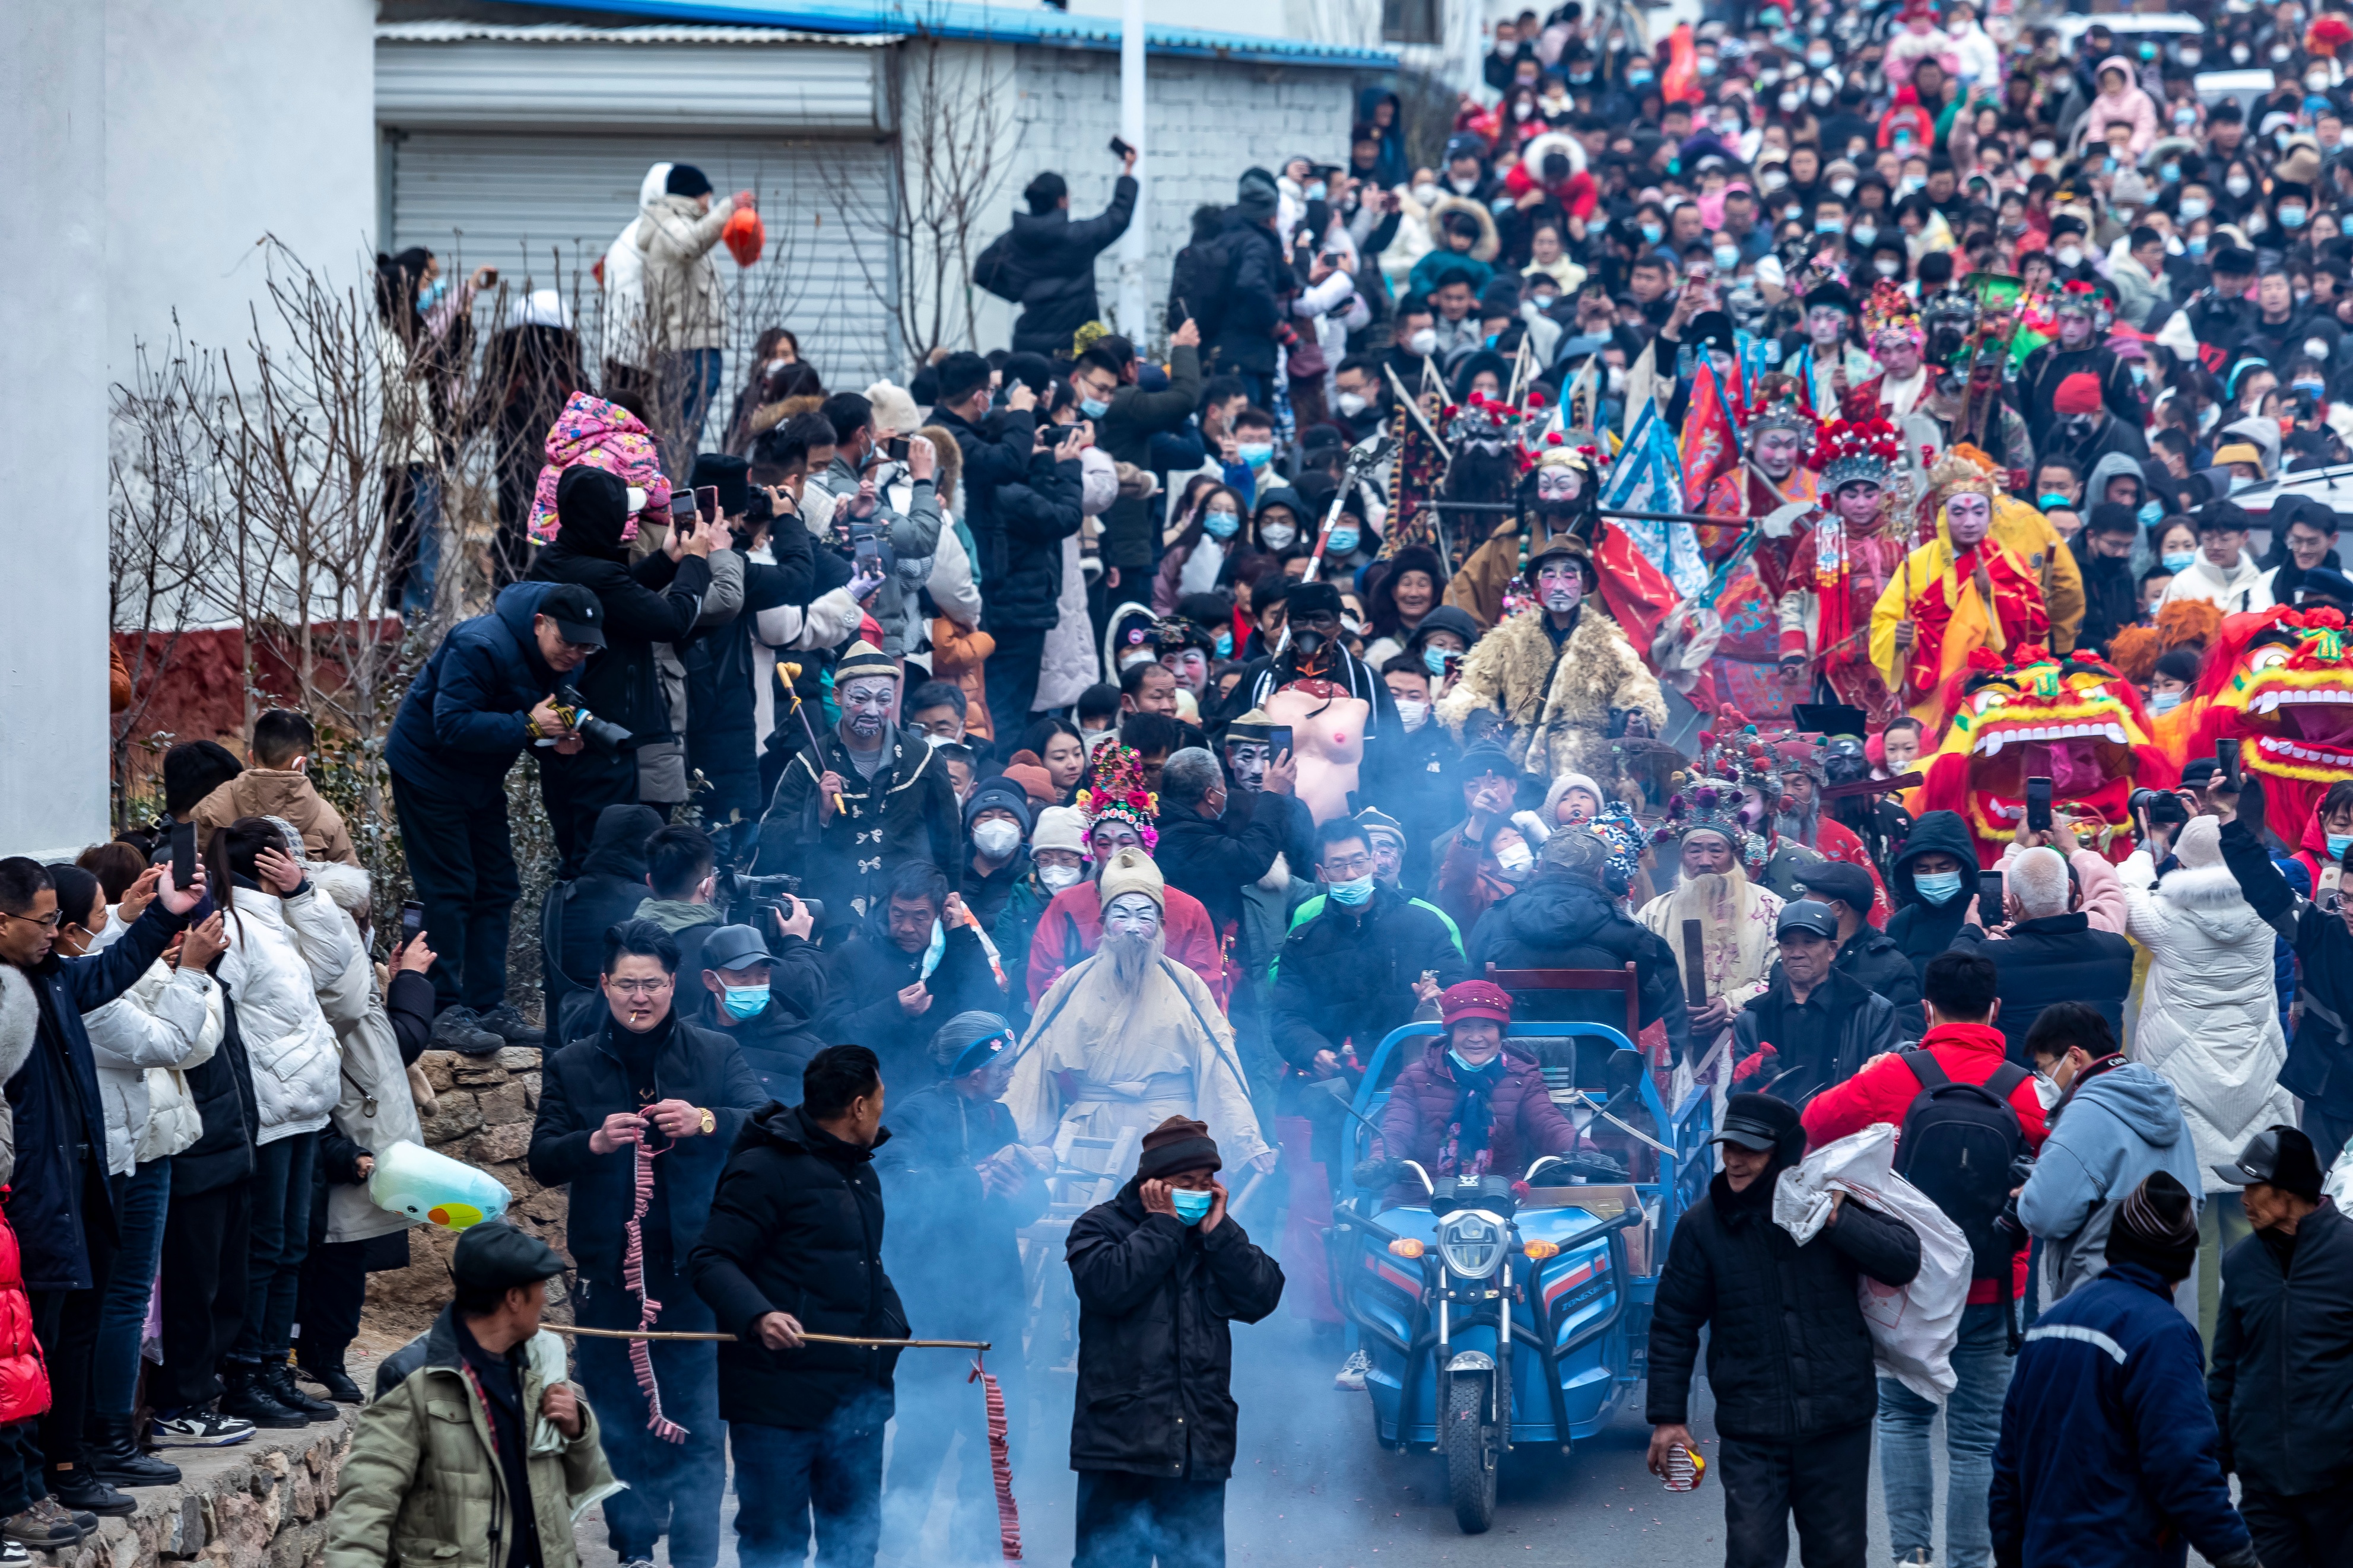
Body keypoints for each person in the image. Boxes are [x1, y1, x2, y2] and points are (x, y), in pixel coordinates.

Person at [526, 917, 761, 1568]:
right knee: (616, 1423)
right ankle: (630, 1547)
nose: (639, 998)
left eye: (652, 985)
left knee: (701, 1427)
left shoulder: (714, 1055)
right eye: (627, 984)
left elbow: (767, 1124)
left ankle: (693, 1557)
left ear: (673, 985)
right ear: (604, 986)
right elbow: (542, 1158)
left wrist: (705, 1120)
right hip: (610, 1277)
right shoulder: (573, 1065)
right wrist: (594, 1143)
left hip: (695, 1276)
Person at [1803, 949, 2049, 1568]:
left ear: (1926, 1008)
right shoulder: (2021, 1088)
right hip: (1993, 1283)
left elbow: (1812, 1124)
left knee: (1904, 1420)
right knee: (1975, 1439)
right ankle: (1970, 1560)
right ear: (1993, 1009)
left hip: (1902, 1283)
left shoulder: (1891, 1076)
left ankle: (1910, 1555)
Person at [1647, 1092, 1922, 1568]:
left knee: (1837, 1555)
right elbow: (1673, 1323)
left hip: (1837, 1419)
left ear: (1784, 1151)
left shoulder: (1830, 1202)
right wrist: (1667, 1417)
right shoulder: (1700, 1227)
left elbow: (1902, 1259)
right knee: (1752, 1554)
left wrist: (1835, 1217)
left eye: (1750, 1149)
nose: (1734, 1159)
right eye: (1727, 1146)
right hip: (1751, 1426)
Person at [690, 1045, 907, 1568]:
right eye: (879, 1098)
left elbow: (862, 1264)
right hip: (776, 1402)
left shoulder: (859, 1170)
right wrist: (758, 1314)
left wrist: (893, 1327)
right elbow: (711, 1259)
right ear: (858, 1105)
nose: (883, 1107)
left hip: (855, 1399)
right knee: (775, 1543)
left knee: (854, 1544)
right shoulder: (765, 1168)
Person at [1989, 1173, 2259, 1568]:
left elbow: (2007, 1466)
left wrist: (2011, 1553)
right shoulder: (2161, 1335)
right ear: (2181, 1265)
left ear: (2114, 1250)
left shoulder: (2048, 1325)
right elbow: (2183, 1468)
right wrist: (2238, 1555)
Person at [385, 579, 607, 1041]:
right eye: (567, 642)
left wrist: (555, 744)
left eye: (586, 648)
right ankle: (442, 1009)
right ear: (540, 624)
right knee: (450, 888)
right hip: (427, 769)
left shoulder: (568, 664)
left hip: (480, 777)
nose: (574, 656)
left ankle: (488, 1005)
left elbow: (533, 731)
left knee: (498, 885)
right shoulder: (478, 643)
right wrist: (528, 725)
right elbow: (450, 724)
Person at [325, 1221, 618, 1568]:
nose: (546, 1300)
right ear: (513, 1298)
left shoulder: (538, 1366)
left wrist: (578, 1431)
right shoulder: (412, 1375)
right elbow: (365, 1507)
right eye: (540, 1288)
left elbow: (580, 1484)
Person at [1064, 1115, 1285, 1568]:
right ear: (1152, 1183)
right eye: (1186, 1182)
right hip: (1119, 1449)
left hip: (1198, 1447)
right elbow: (1107, 1285)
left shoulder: (1212, 1234)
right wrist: (1162, 1227)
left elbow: (1262, 1295)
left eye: (1206, 1182)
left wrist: (1221, 1236)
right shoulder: (1098, 1227)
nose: (1198, 1193)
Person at [69, 865, 225, 1483]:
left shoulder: (83, 968)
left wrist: (135, 921)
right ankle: (103, 1435)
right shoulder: (81, 992)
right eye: (103, 911)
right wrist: (190, 972)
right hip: (112, 1155)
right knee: (116, 1300)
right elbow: (169, 1043)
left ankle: (111, 1431)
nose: (115, 918)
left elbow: (105, 967)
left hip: (141, 1142)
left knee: (122, 1299)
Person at [202, 821, 358, 1432]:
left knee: (293, 1246)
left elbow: (334, 962)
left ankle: (274, 1366)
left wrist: (302, 896)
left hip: (304, 1109)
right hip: (268, 1110)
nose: (303, 863)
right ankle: (245, 1372)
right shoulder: (235, 925)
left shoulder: (279, 917)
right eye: (292, 856)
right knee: (265, 1248)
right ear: (269, 863)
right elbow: (219, 1012)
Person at [871, 1014, 1044, 1563]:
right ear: (974, 1066)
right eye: (1004, 1064)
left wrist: (1021, 1190)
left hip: (994, 1308)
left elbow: (1028, 1201)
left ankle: (974, 1551)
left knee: (998, 1439)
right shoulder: (915, 1113)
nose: (1011, 1073)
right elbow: (892, 1190)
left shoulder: (1001, 1115)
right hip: (934, 1308)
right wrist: (972, 1180)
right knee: (923, 1440)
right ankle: (895, 1550)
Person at [2116, 813, 2294, 1341]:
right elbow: (2275, 875)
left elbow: (2127, 890)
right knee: (2255, 1222)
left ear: (2183, 864)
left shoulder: (2165, 918)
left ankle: (2213, 1357)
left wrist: (2143, 854)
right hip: (2257, 1084)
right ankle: (2261, 1352)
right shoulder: (2268, 910)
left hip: (2186, 1091)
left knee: (2200, 1240)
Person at [1005, 848, 1274, 1177]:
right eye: (1121, 915)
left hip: (1171, 1136)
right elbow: (1032, 1066)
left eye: (1144, 916)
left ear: (1161, 925)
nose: (1133, 928)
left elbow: (1219, 1063)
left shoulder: (1187, 986)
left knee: (1168, 1227)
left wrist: (1245, 1140)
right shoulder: (1070, 986)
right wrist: (1007, 1138)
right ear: (1104, 923)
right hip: (1091, 1140)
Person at [296, 866, 435, 1409]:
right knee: (334, 1258)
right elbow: (400, 1042)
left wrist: (397, 979)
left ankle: (322, 1354)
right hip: (345, 1143)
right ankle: (320, 1357)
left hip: (356, 1143)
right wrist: (413, 982)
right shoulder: (334, 976)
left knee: (343, 1257)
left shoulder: (353, 968)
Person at [2206, 1125, 2353, 1565]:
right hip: (2263, 1487)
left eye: (2254, 1186)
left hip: (2341, 1489)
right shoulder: (2241, 1263)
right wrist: (2213, 1462)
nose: (2243, 1199)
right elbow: (2225, 1369)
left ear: (2288, 1192)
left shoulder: (2348, 1255)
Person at [754, 640, 962, 935]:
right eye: (861, 698)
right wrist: (818, 815)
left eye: (884, 699)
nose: (872, 710)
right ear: (837, 696)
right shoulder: (809, 763)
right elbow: (769, 842)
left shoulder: (924, 760)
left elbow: (949, 845)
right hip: (831, 927)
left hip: (906, 925)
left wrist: (951, 906)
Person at [1433, 531, 1666, 787]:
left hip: (1584, 776)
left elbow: (1642, 694)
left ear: (1585, 584)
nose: (1558, 586)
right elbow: (1470, 690)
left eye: (1569, 575)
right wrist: (1480, 721)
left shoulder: (1609, 643)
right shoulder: (1509, 638)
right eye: (1549, 575)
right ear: (1537, 583)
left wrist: (1634, 718)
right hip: (1515, 774)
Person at [2017, 1002, 2202, 1313]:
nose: (2042, 1079)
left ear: (2075, 1058)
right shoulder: (2167, 1108)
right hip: (2172, 1310)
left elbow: (2043, 1214)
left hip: (2103, 1310)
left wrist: (2032, 1190)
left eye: (2045, 1067)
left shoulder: (2086, 1112)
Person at [2217, 774, 2353, 1170]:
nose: (2349, 909)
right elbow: (2263, 887)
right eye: (2345, 897)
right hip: (2326, 1098)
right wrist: (2229, 820)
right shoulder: (2320, 931)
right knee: (2316, 1202)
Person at [1462, 827, 1688, 1062]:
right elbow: (1658, 1013)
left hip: (1510, 1073)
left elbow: (1470, 991)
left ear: (1540, 868)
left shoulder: (1493, 921)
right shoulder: (1630, 936)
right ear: (1600, 874)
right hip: (1606, 1078)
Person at [1366, 978, 1580, 1191]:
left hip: (1500, 1196)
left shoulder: (1523, 1077)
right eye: (1465, 1028)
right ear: (1451, 1034)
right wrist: (1381, 1162)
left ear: (1500, 1034)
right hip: (1422, 1194)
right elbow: (1396, 1130)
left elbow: (1549, 1124)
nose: (1476, 1037)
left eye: (1486, 1027)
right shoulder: (1415, 1077)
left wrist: (1584, 1153)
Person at [819, 861, 1001, 1097]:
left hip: (939, 1101)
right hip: (867, 1094)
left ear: (940, 914)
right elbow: (830, 1031)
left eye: (920, 917)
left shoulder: (957, 953)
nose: (906, 928)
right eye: (898, 914)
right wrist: (894, 1009)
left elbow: (991, 1011)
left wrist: (960, 937)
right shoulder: (852, 955)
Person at [1953, 841, 2136, 1064]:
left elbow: (1952, 974)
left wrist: (1972, 929)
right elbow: (2110, 894)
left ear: (2014, 903)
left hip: (2023, 1085)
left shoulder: (1993, 957)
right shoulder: (2117, 950)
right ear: (2070, 889)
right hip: (2097, 1081)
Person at [1729, 900, 1901, 1104]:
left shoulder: (1873, 1012)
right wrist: (1755, 1077)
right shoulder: (1753, 1016)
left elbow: (1891, 1087)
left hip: (1847, 1132)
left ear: (1831, 950)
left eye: (1809, 942)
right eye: (1788, 943)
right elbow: (1736, 1097)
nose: (1796, 953)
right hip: (1776, 1132)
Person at [634, 164, 749, 453]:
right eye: (708, 196)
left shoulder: (673, 222)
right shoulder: (673, 223)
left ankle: (673, 486)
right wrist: (728, 210)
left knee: (683, 430)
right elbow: (689, 245)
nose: (710, 202)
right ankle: (673, 489)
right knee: (684, 432)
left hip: (688, 346)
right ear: (695, 195)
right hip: (691, 348)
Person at [973, 157, 1139, 357]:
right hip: (1073, 349)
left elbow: (981, 272)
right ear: (1062, 201)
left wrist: (1016, 292)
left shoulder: (1013, 241)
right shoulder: (1079, 237)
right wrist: (1128, 171)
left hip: (1028, 347)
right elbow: (1118, 217)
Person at [540, 804, 665, 1045]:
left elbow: (550, 981)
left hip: (564, 1038)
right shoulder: (648, 901)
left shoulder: (558, 896)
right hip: (624, 1034)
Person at [189, 710, 358, 867]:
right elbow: (354, 891)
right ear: (301, 763)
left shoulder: (210, 808)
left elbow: (192, 870)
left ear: (251, 757)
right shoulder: (328, 818)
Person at [1796, 859, 1922, 1035]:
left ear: (1838, 908)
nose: (1802, 903)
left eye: (1810, 899)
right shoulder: (1794, 957)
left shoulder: (1892, 968)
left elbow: (1905, 1038)